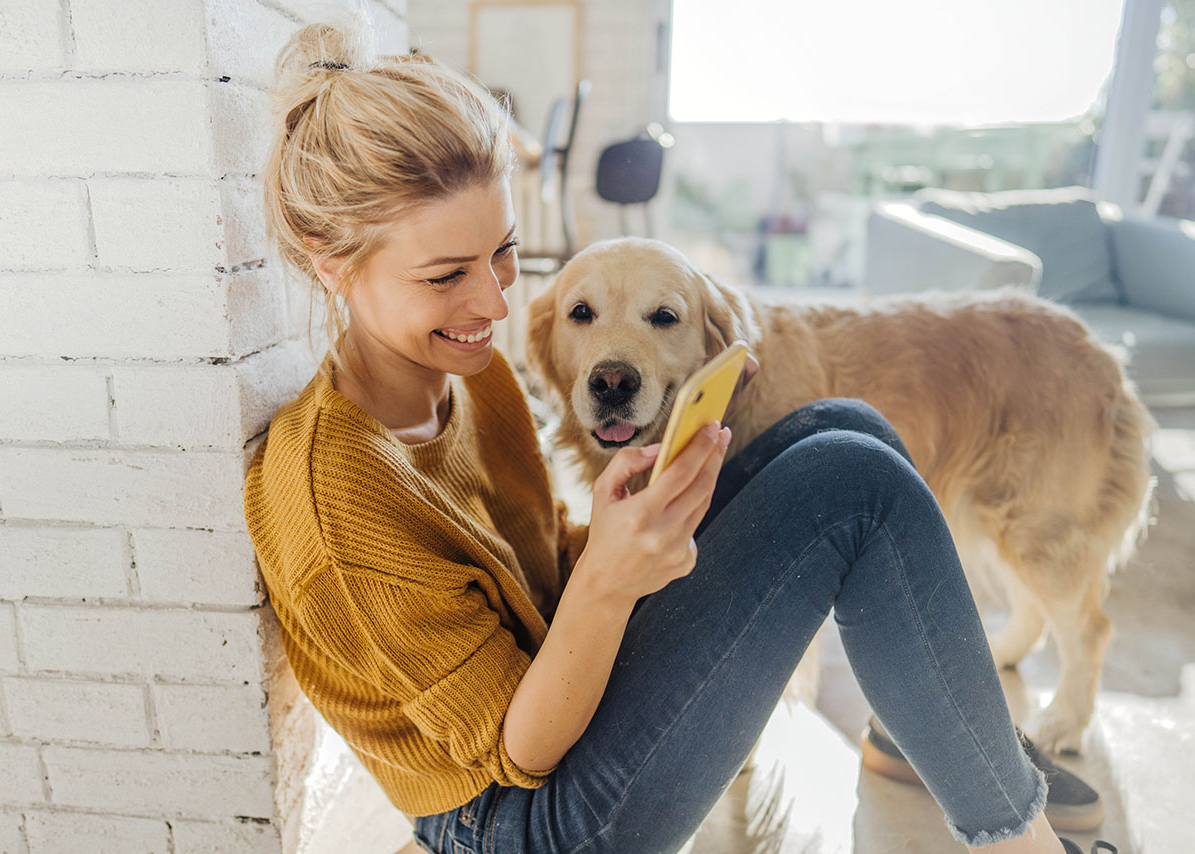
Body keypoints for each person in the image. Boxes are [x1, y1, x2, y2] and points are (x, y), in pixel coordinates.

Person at [242, 12, 1114, 854]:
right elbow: (519, 749)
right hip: (524, 820)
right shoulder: (337, 495)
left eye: (501, 253)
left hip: (562, 712)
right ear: (334, 267)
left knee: (841, 430)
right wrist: (612, 581)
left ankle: (940, 741)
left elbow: (532, 567)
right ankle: (1022, 845)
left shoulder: (470, 378)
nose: (494, 302)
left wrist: (614, 538)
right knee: (852, 485)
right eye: (446, 276)